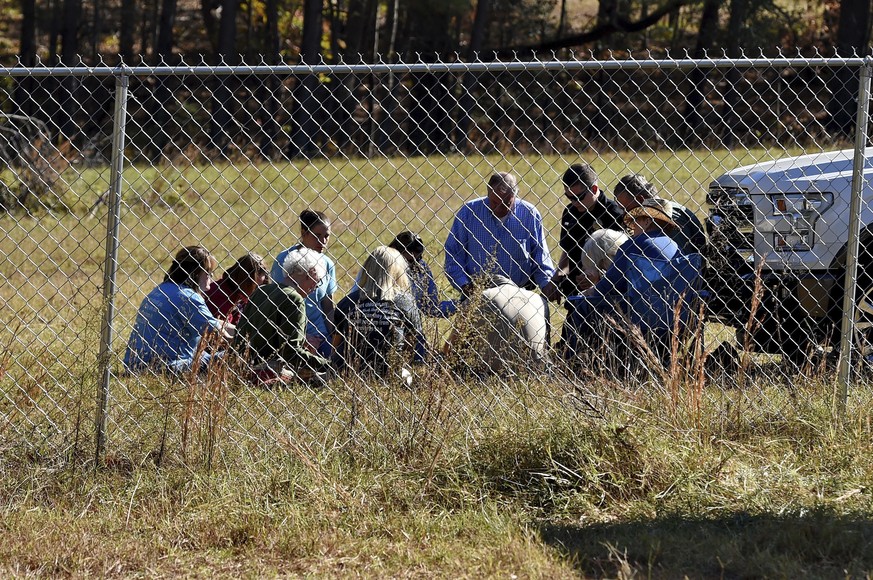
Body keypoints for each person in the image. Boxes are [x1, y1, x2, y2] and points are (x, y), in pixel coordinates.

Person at [569, 199, 701, 362]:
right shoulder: (675, 247)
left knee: (583, 305)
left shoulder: (633, 246)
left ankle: (577, 363)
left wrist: (586, 292)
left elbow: (606, 288)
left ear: (646, 221)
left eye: (635, 221)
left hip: (639, 321)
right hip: (673, 323)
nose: (632, 228)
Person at [124, 246, 231, 374]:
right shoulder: (189, 297)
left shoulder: (161, 289)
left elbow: (213, 322)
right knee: (232, 356)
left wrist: (244, 329)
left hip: (135, 365)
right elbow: (220, 334)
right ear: (196, 273)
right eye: (208, 272)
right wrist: (252, 341)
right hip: (167, 367)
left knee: (206, 357)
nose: (211, 277)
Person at [444, 172, 555, 296]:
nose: (499, 209)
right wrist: (464, 285)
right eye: (495, 203)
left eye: (506, 203)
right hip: (478, 293)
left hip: (519, 293)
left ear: (515, 195)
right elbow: (453, 254)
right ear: (488, 193)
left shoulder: (529, 214)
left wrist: (547, 284)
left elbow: (541, 256)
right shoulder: (469, 213)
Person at [234, 247, 332, 386]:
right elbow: (291, 352)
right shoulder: (295, 299)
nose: (316, 287)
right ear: (311, 273)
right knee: (323, 378)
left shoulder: (262, 291)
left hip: (243, 365)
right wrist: (329, 364)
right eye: (318, 281)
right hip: (270, 369)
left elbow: (241, 332)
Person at [333, 246, 425, 378]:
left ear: (367, 269)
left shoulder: (347, 302)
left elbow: (336, 346)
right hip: (389, 372)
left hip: (347, 370)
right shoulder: (405, 302)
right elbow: (411, 345)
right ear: (399, 272)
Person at [543, 164, 625, 301]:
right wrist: (556, 279)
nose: (574, 202)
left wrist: (598, 276)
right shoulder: (570, 213)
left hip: (607, 292)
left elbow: (624, 259)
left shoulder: (614, 214)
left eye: (579, 197)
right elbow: (567, 252)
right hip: (575, 292)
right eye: (569, 197)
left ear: (594, 189)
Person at [444, 275, 550, 375]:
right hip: (534, 368)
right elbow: (546, 345)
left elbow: (449, 348)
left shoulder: (480, 297)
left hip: (491, 372)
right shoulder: (538, 298)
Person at [270, 210, 337, 358]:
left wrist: (336, 338)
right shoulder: (284, 260)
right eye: (317, 236)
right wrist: (303, 337)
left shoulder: (327, 264)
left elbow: (328, 307)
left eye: (326, 236)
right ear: (304, 233)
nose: (323, 242)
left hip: (320, 335)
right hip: (290, 335)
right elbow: (275, 305)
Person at [613, 173, 707, 255]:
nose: (624, 214)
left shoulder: (668, 218)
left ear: (640, 200)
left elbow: (679, 261)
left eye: (626, 208)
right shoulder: (662, 211)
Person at [388, 231, 456, 317]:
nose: (413, 265)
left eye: (418, 258)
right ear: (394, 252)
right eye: (409, 261)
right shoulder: (385, 266)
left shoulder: (421, 267)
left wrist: (458, 305)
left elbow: (431, 307)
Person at [204, 253, 269, 325]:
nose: (256, 291)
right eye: (256, 287)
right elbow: (221, 330)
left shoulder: (240, 295)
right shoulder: (220, 295)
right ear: (247, 280)